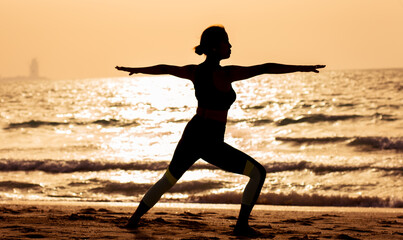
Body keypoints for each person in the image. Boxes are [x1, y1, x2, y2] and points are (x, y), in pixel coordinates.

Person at [115, 25, 325, 236]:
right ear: (215, 47)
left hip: (193, 132)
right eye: (227, 41)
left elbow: (164, 68)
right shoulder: (226, 73)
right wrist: (300, 68)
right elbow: (265, 67)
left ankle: (133, 221)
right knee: (258, 173)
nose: (231, 45)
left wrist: (140, 69)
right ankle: (241, 226)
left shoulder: (194, 71)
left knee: (169, 178)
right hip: (209, 139)